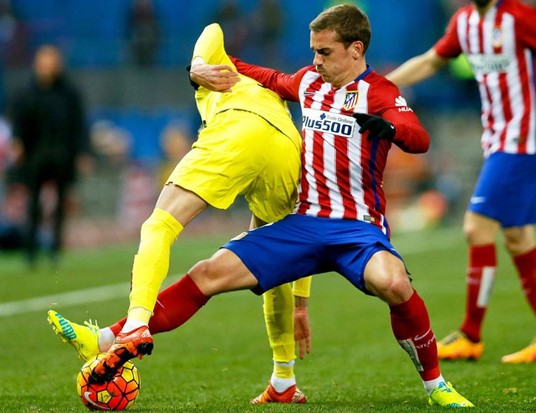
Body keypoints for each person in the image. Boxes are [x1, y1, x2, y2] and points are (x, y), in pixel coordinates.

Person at [83, 4, 474, 408]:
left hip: (357, 228)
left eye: (324, 52)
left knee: (393, 283)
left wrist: (390, 128)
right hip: (303, 223)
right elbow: (251, 72)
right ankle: (115, 336)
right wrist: (196, 70)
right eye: (313, 51)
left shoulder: (380, 93)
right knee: (208, 273)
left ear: (355, 50)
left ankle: (437, 386)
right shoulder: (307, 82)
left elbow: (418, 137)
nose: (315, 61)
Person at [48, 23, 311, 404]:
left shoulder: (225, 74)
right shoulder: (271, 93)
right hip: (288, 148)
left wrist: (198, 66)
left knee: (160, 224)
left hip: (240, 129)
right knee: (268, 269)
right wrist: (302, 304)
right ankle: (284, 380)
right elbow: (300, 241)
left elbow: (213, 29)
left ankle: (135, 324)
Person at [386, 0, 536, 363]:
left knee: (477, 228)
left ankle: (470, 335)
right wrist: (380, 83)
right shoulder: (465, 21)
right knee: (519, 238)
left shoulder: (519, 17)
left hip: (521, 140)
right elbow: (431, 60)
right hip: (497, 140)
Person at [9, 44, 89, 268]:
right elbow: (19, 122)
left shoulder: (69, 93)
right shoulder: (26, 93)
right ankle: (31, 251)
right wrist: (17, 143)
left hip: (62, 155)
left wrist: (82, 152)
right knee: (33, 204)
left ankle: (55, 249)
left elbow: (78, 124)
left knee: (61, 203)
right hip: (36, 155)